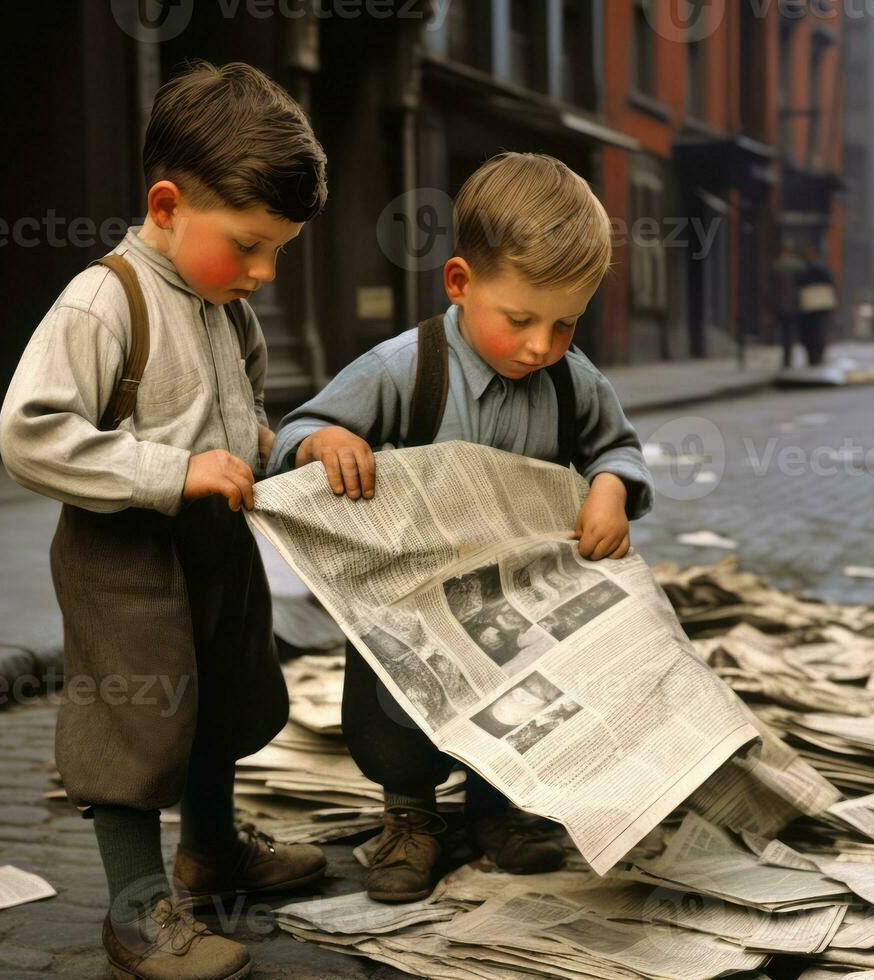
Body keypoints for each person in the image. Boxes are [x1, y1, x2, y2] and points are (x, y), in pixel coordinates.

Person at [0, 61, 329, 980]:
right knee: (135, 721)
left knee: (223, 696)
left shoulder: (220, 302)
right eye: (248, 245)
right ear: (167, 203)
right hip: (127, 554)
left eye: (279, 252)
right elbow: (29, 436)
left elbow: (236, 410)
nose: (263, 272)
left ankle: (213, 848)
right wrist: (171, 471)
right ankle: (137, 908)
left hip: (213, 543)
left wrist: (277, 450)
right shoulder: (105, 300)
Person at [270, 152, 654, 904]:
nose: (541, 345)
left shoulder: (573, 381)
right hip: (410, 603)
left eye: (564, 323)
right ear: (459, 282)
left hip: (516, 605)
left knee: (521, 712)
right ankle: (408, 818)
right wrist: (326, 443)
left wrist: (610, 488)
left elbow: (617, 446)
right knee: (391, 719)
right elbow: (298, 431)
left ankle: (498, 812)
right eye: (518, 320)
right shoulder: (400, 368)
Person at [797, 244, 837, 366]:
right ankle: (817, 355)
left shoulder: (805, 269)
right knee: (819, 332)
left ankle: (813, 356)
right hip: (820, 305)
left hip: (810, 305)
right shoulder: (822, 268)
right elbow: (831, 283)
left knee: (812, 332)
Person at [768, 242, 805, 369]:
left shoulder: (776, 266)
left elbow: (771, 288)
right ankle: (788, 357)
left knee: (784, 331)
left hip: (780, 304)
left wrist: (770, 304)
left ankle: (785, 357)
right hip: (795, 304)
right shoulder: (799, 266)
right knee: (790, 331)